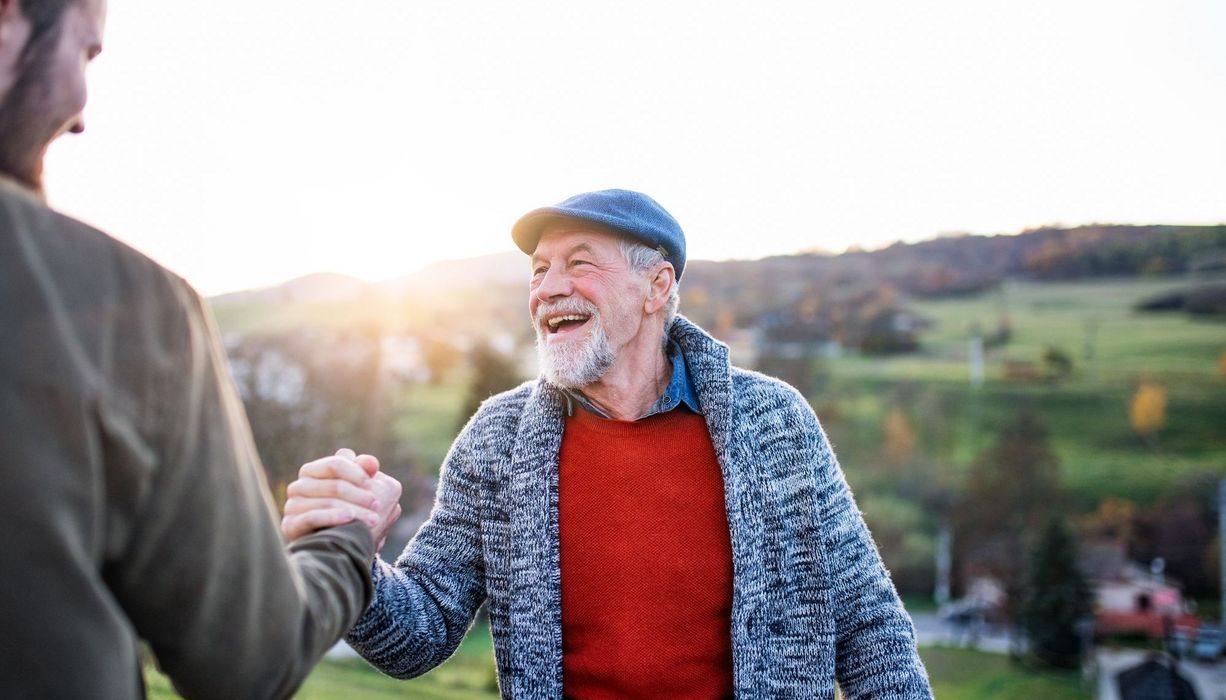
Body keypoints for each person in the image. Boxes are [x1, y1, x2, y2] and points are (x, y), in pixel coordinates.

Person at [287, 188, 934, 697]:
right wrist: (356, 559)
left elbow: (869, 629)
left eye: (579, 263)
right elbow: (419, 635)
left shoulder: (773, 424)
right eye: (539, 271)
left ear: (656, 288)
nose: (547, 288)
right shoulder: (498, 441)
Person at [0, 0, 400, 697]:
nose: (83, 111)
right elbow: (248, 660)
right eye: (87, 53)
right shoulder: (124, 306)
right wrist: (346, 538)